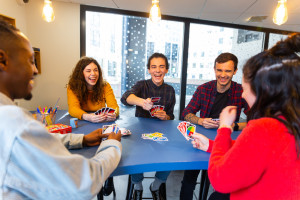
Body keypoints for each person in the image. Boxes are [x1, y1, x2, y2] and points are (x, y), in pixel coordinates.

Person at [0, 19, 122, 199]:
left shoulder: (12, 121)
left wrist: (82, 139)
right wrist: (112, 144)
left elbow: (39, 140)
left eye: (96, 70)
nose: (35, 70)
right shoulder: (14, 123)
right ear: (2, 60)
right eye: (30, 60)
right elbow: (83, 182)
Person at [191, 33, 300, 200]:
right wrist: (210, 145)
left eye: (246, 88)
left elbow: (221, 180)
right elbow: (253, 151)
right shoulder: (290, 121)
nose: (243, 95)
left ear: (263, 88)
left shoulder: (264, 127)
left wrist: (224, 128)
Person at [180, 53, 248, 199]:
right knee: (189, 179)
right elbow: (186, 112)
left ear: (235, 71)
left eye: (228, 71)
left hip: (227, 143)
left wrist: (232, 126)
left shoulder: (241, 91)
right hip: (201, 142)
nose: (223, 75)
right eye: (219, 70)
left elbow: (255, 120)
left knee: (223, 184)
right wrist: (200, 121)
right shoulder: (204, 89)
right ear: (214, 69)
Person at [121, 52, 175, 200]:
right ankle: (137, 187)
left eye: (161, 67)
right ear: (149, 70)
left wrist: (166, 116)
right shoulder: (141, 85)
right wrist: (142, 102)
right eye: (153, 67)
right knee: (133, 155)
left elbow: (171, 116)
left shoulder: (170, 90)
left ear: (166, 70)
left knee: (171, 156)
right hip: (140, 132)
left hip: (162, 133)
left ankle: (156, 186)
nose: (157, 70)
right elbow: (125, 97)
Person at [67, 56, 119, 123]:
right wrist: (87, 116)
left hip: (101, 120)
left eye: (95, 70)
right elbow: (73, 108)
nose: (93, 74)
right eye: (88, 71)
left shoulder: (105, 86)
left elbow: (114, 106)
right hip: (82, 120)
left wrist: (114, 113)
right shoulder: (72, 87)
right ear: (81, 74)